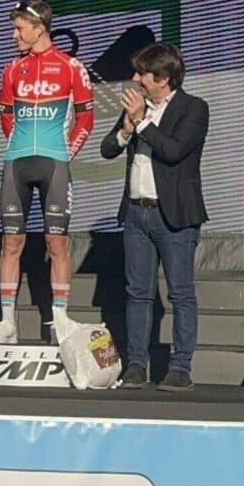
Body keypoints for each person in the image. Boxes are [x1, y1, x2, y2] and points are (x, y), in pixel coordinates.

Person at [100, 43, 207, 392]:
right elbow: (107, 149)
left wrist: (142, 122)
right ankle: (136, 364)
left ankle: (180, 366)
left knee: (180, 293)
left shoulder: (193, 108)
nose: (135, 79)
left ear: (163, 79)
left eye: (142, 73)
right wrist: (125, 131)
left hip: (173, 215)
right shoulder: (138, 108)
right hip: (136, 214)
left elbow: (173, 151)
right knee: (138, 293)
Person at [0, 0, 94, 343]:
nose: (14, 35)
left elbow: (86, 119)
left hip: (54, 162)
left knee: (57, 242)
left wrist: (65, 154)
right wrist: (18, 148)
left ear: (39, 28)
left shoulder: (71, 67)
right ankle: (7, 322)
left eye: (19, 29)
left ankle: (60, 319)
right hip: (17, 162)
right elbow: (6, 116)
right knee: (11, 243)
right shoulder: (10, 69)